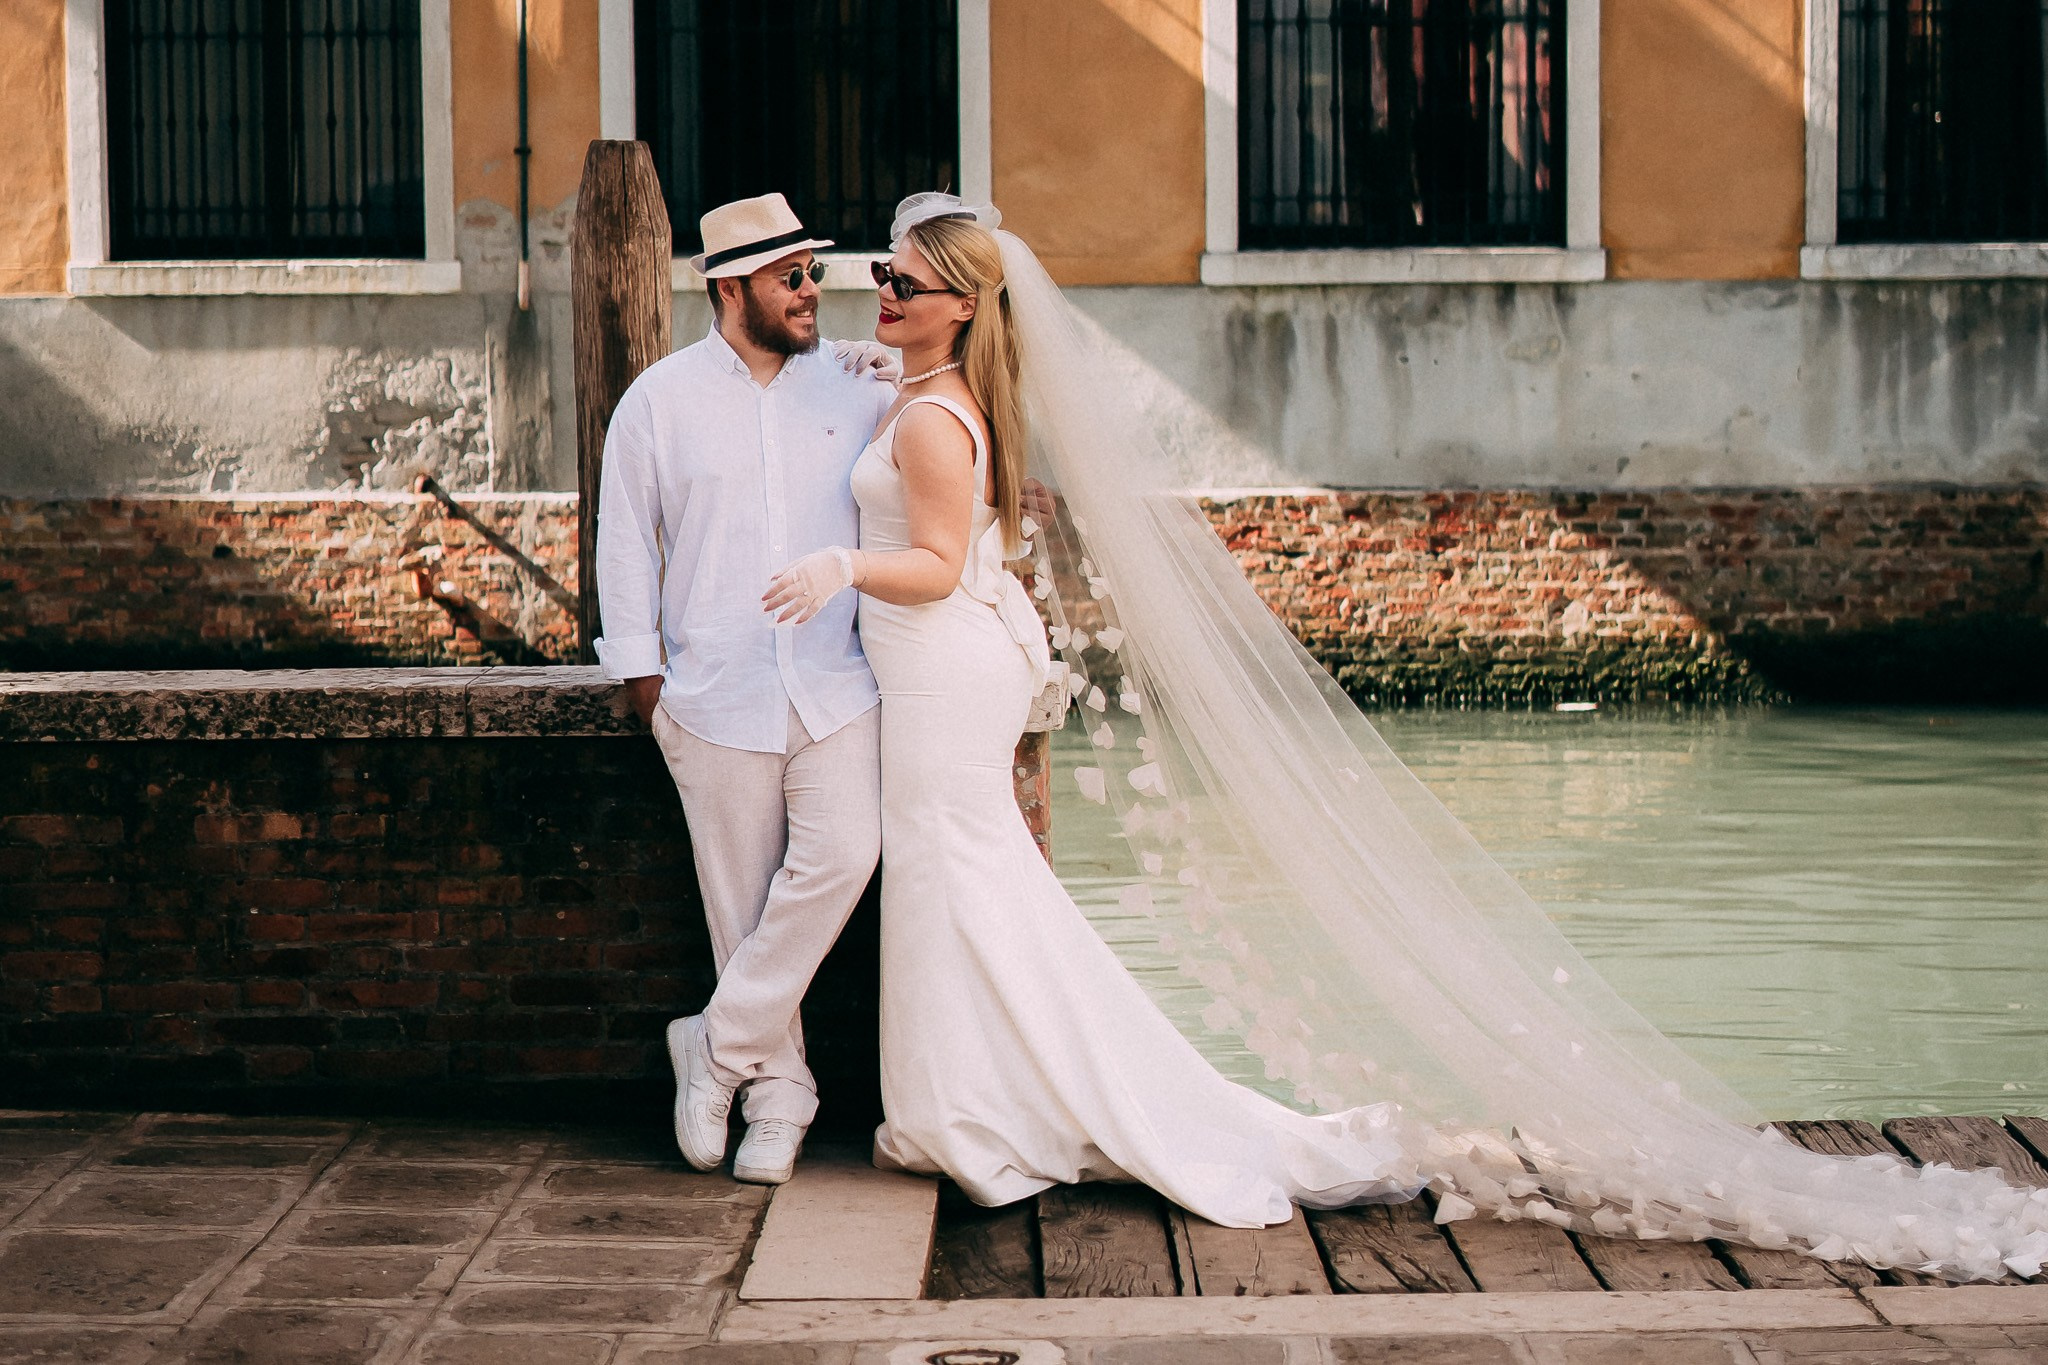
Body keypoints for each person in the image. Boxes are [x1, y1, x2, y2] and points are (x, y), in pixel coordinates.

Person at [762, 193, 2048, 1277]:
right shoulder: (928, 391)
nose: (878, 292)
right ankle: (979, 1106)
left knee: (953, 870)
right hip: (945, 671)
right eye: (879, 275)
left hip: (938, 659)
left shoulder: (935, 417)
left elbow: (934, 559)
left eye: (903, 281)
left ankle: (980, 1112)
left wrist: (838, 564)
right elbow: (941, 490)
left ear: (963, 304)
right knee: (962, 876)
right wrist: (876, 380)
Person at [594, 192, 894, 1186]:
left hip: (834, 682)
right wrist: (646, 683)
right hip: (711, 695)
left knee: (846, 855)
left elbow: (929, 474)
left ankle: (713, 1046)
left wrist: (898, 375)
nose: (811, 292)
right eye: (791, 278)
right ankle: (778, 1095)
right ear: (731, 289)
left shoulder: (853, 387)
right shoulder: (659, 400)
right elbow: (626, 540)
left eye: (814, 273)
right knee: (740, 910)